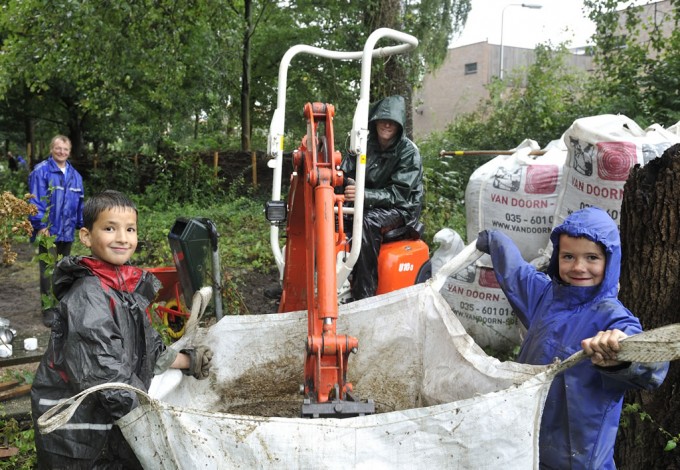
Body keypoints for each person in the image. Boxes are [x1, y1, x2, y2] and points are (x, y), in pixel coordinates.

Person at [31, 190, 213, 469]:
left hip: (107, 413)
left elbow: (146, 344)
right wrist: (148, 420)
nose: (122, 237)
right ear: (85, 236)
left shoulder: (123, 289)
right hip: (78, 430)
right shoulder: (89, 295)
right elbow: (102, 372)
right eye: (109, 228)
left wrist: (187, 360)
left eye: (130, 229)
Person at [476, 206, 669, 469]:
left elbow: (653, 364)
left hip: (578, 459)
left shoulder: (612, 317)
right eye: (568, 256)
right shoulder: (546, 297)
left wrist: (620, 354)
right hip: (525, 445)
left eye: (592, 257)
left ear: (610, 261)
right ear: (557, 258)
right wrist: (496, 241)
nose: (578, 267)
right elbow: (517, 274)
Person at [340, 95, 424, 300]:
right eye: (383, 119)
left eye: (393, 122)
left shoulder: (408, 152)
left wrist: (363, 194)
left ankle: (364, 294)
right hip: (367, 202)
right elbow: (343, 173)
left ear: (399, 126)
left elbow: (399, 194)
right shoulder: (362, 144)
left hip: (401, 209)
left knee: (365, 222)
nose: (387, 124)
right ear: (374, 121)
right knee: (331, 218)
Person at [28, 135, 84, 325]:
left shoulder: (75, 176)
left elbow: (79, 205)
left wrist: (82, 225)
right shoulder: (41, 171)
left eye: (65, 149)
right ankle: (48, 310)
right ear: (52, 149)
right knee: (47, 270)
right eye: (58, 148)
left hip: (67, 231)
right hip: (48, 231)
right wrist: (40, 225)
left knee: (63, 268)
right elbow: (34, 201)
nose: (62, 152)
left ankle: (60, 306)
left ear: (69, 151)